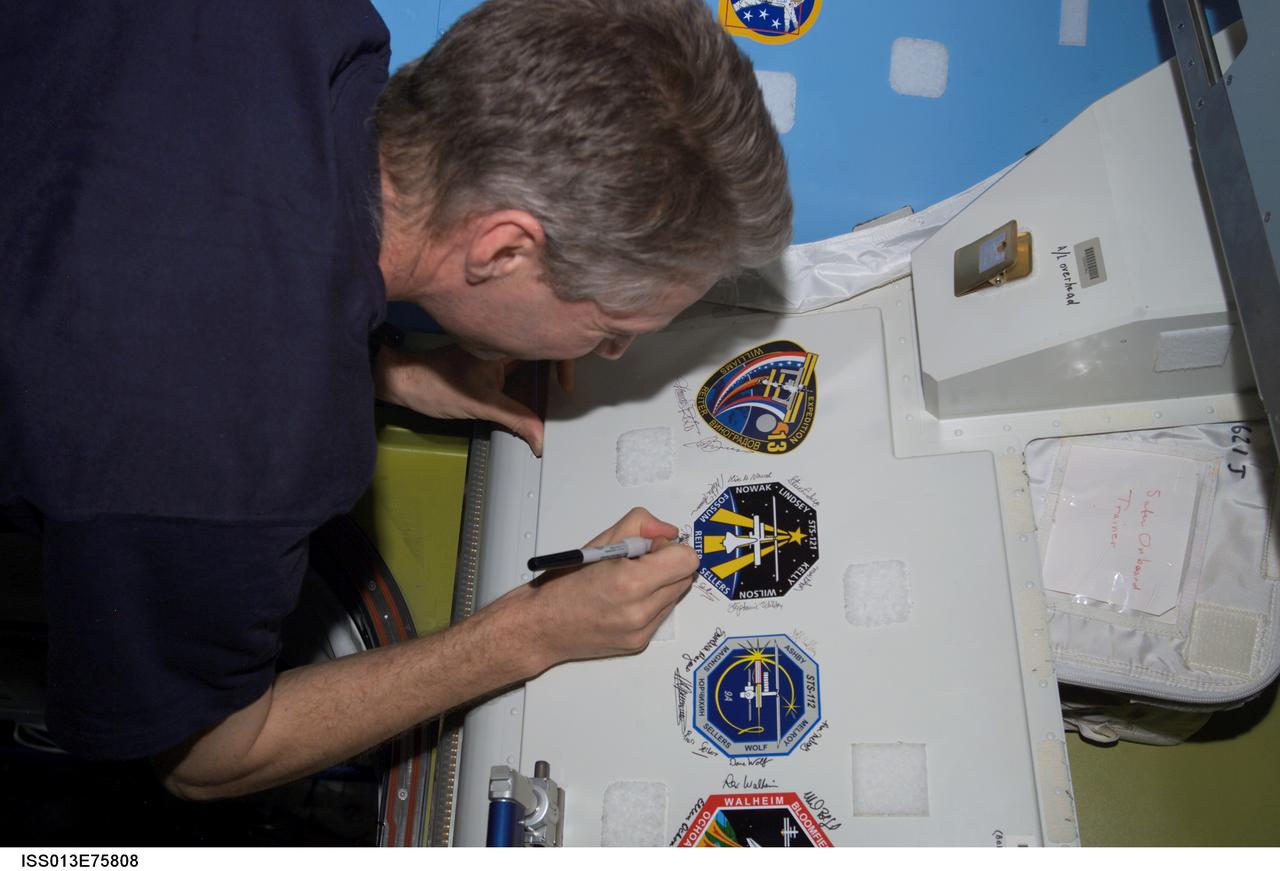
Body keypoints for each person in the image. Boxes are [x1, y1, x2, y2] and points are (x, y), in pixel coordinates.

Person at [0, 0, 791, 799]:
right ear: (503, 249)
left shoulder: (311, 22)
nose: (608, 354)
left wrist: (384, 370)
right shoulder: (243, 460)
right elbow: (206, 758)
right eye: (611, 328)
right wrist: (529, 631)